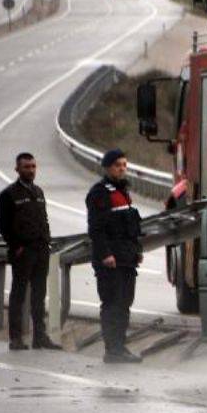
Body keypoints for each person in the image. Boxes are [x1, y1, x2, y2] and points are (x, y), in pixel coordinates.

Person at [0, 153, 61, 350]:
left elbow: (44, 219)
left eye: (33, 166)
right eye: (26, 167)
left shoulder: (39, 192)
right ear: (17, 169)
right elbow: (4, 227)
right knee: (19, 294)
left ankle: (39, 337)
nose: (31, 170)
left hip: (41, 250)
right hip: (23, 253)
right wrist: (18, 246)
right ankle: (15, 338)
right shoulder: (8, 195)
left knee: (39, 295)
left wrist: (47, 242)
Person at [85, 149, 143, 364]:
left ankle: (121, 346)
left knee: (125, 304)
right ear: (108, 167)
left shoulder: (124, 192)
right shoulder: (100, 193)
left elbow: (131, 227)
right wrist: (105, 254)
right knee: (112, 304)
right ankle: (112, 350)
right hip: (110, 262)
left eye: (124, 164)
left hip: (127, 259)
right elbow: (96, 230)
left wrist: (137, 251)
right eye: (118, 165)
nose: (122, 168)